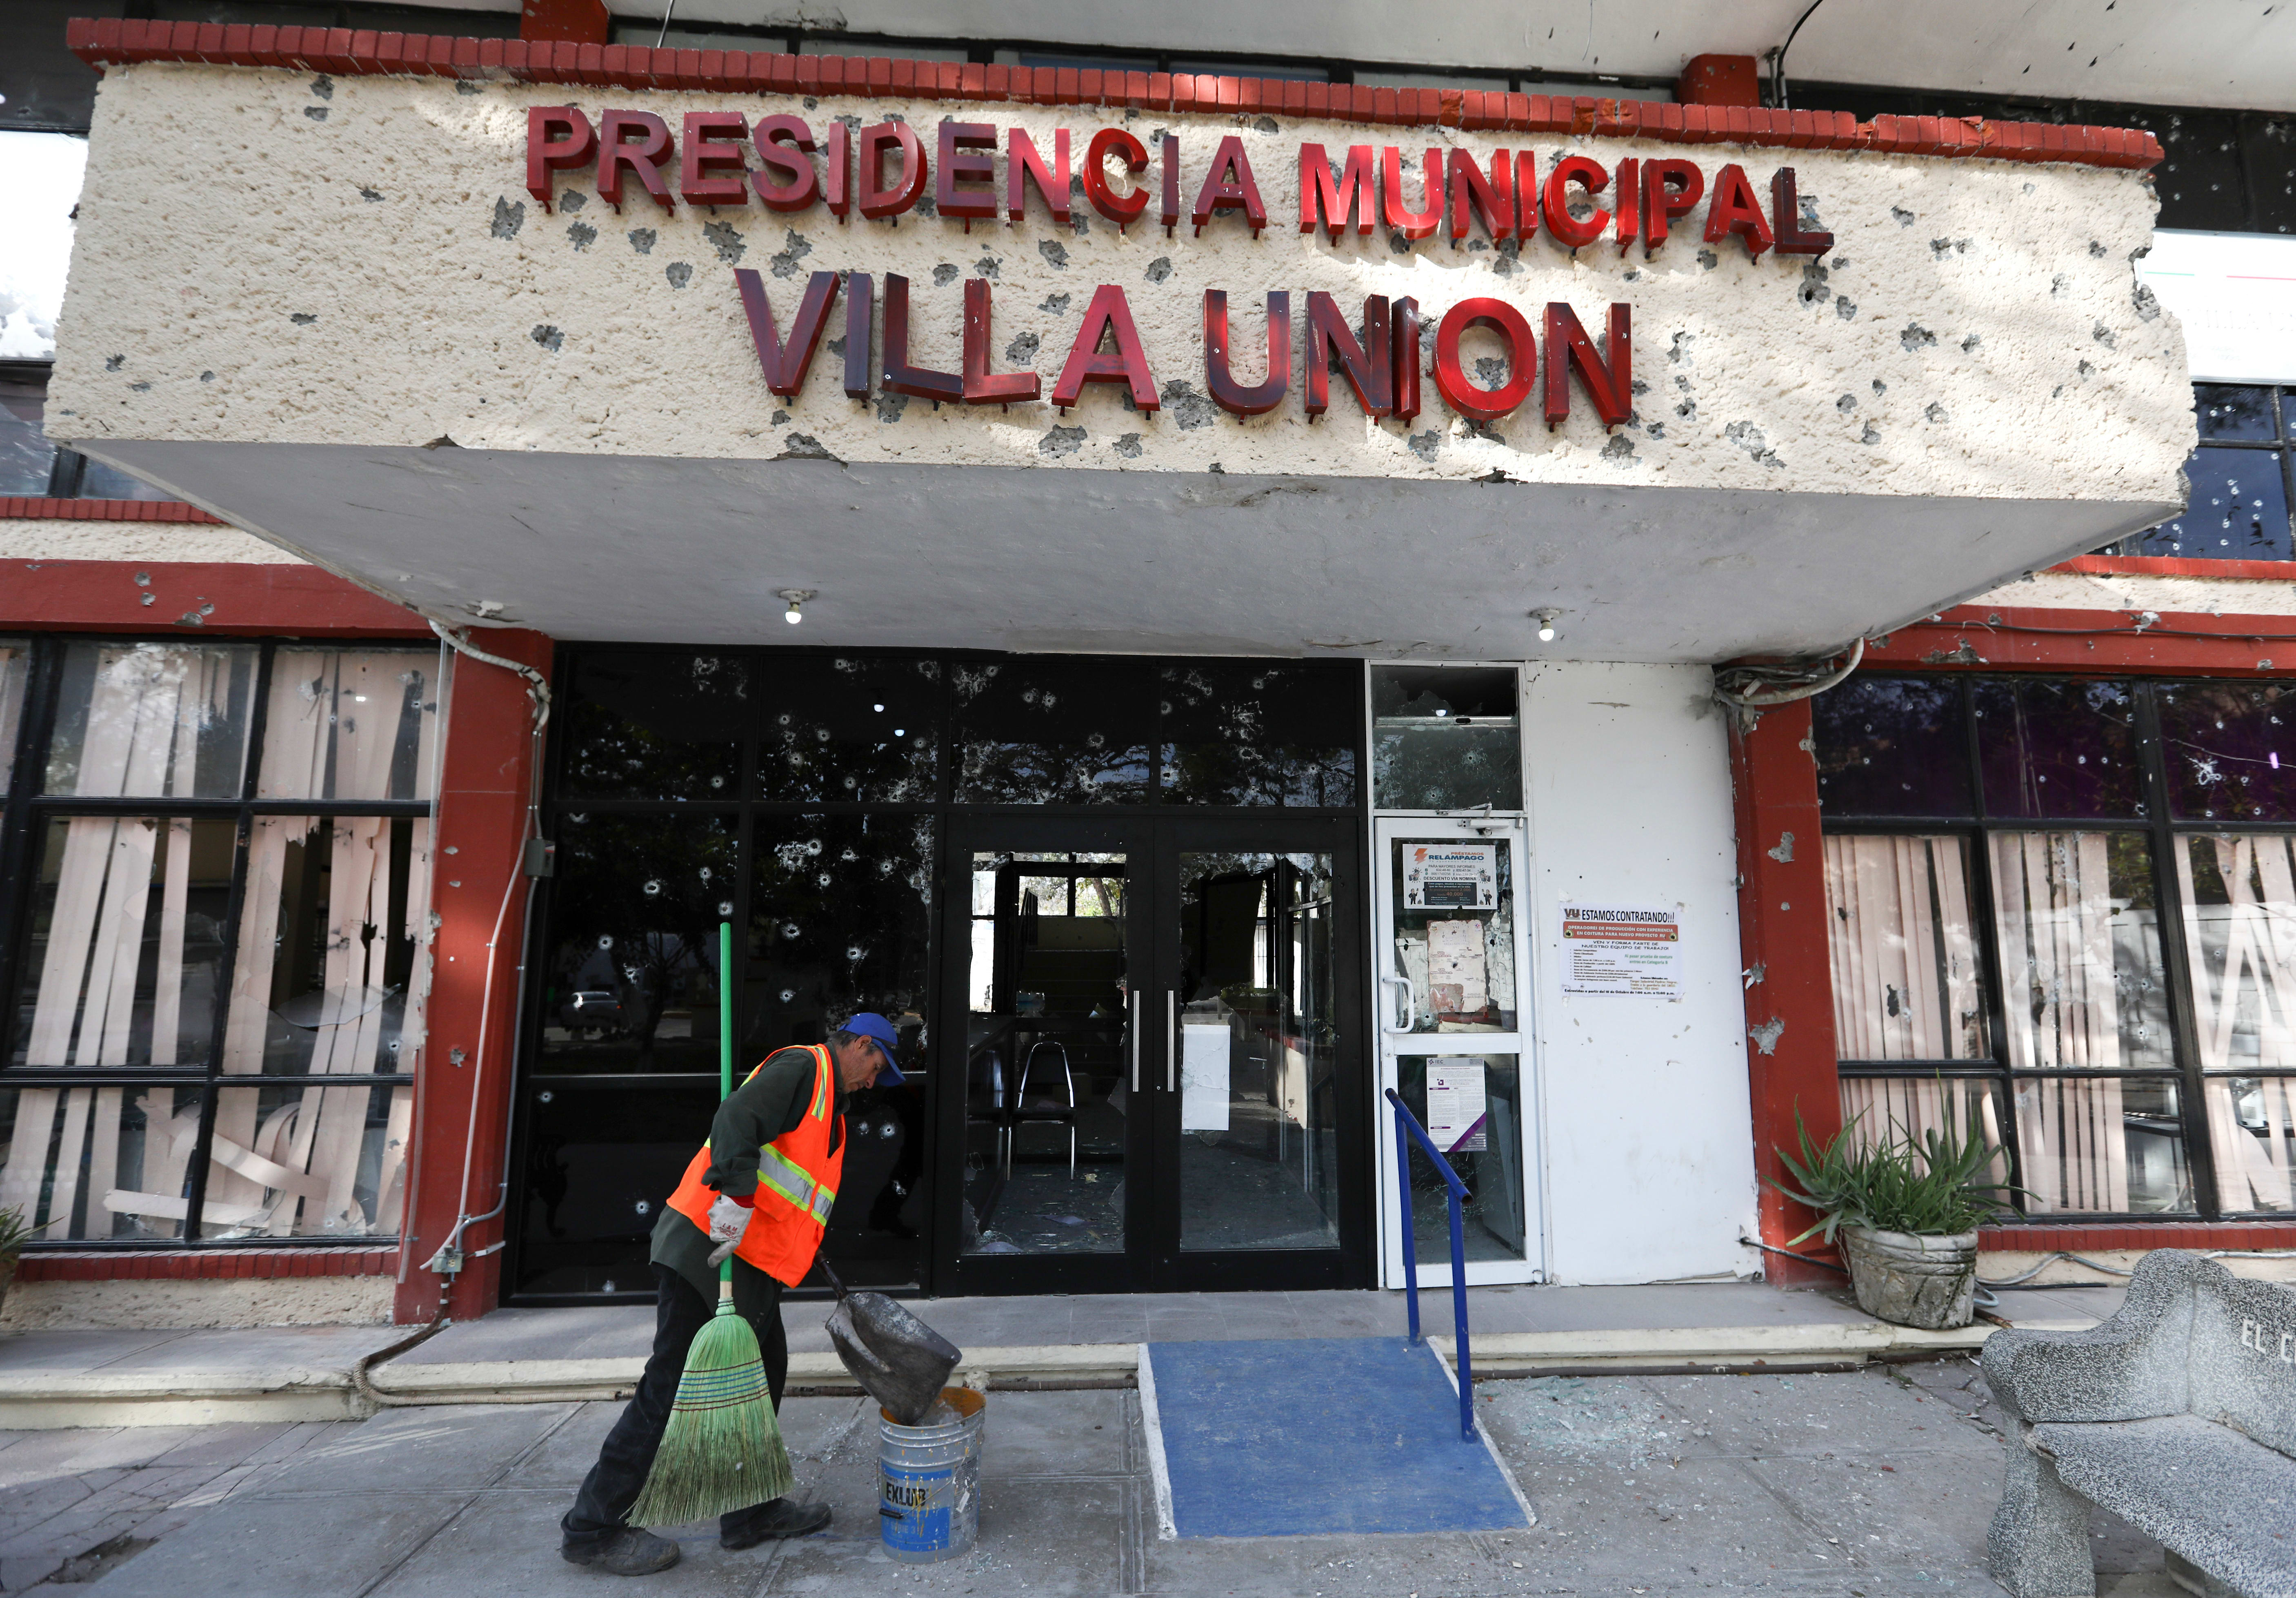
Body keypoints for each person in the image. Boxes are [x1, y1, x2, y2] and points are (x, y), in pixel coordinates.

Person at [560, 1012, 907, 1576]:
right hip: (708, 1250)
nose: (874, 1081)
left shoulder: (830, 1107)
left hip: (750, 1264)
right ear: (861, 1043)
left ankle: (750, 1513)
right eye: (876, 1066)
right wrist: (737, 1197)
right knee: (670, 1387)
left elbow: (792, 1188)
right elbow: (735, 1118)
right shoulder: (803, 1069)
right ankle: (593, 1529)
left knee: (762, 1378)